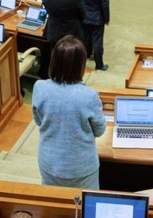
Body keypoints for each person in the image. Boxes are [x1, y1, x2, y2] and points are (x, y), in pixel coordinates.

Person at [31, 36, 105, 188]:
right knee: (85, 206)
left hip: (48, 162)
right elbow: (99, 130)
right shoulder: (89, 95)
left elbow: (38, 120)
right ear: (81, 65)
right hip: (81, 167)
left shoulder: (39, 87)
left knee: (54, 204)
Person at [41, 0, 86, 79]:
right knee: (70, 60)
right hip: (70, 35)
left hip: (53, 32)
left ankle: (55, 77)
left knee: (55, 57)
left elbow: (47, 8)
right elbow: (82, 16)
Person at [73, 0, 110, 71]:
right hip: (97, 19)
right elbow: (105, 5)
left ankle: (81, 64)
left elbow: (75, 0)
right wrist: (106, 19)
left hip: (82, 17)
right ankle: (99, 65)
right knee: (98, 42)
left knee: (82, 41)